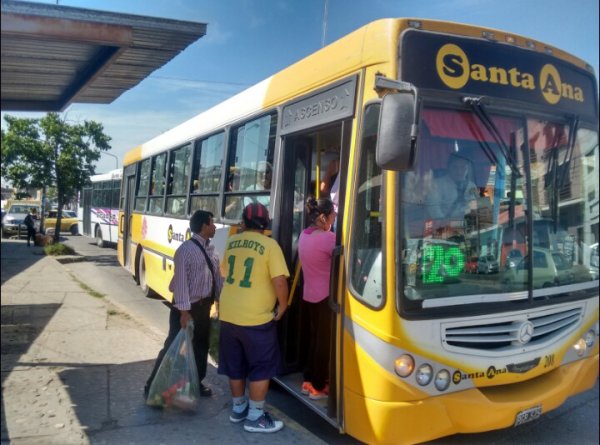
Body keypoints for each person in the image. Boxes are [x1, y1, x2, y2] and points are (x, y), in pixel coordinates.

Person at [218, 202, 290, 433]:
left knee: (235, 364)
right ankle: (256, 417)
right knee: (262, 367)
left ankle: (239, 409)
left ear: (244, 221)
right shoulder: (270, 245)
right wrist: (283, 304)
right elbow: (279, 280)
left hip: (228, 314)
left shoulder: (232, 242)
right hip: (256, 318)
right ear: (266, 222)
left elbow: (225, 273)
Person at [144, 210, 222, 400]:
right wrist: (184, 313)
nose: (215, 227)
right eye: (212, 223)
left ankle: (195, 383)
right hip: (186, 308)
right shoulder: (185, 250)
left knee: (200, 347)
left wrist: (219, 302)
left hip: (204, 307)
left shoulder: (212, 250)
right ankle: (153, 384)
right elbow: (180, 284)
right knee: (173, 345)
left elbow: (217, 279)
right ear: (204, 226)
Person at [297, 197, 336, 400]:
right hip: (326, 297)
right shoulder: (328, 239)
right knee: (324, 343)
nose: (335, 217)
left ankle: (309, 380)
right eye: (332, 215)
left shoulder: (304, 235)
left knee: (314, 340)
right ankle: (319, 387)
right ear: (322, 217)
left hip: (310, 294)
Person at [426, 154, 478, 221]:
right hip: (443, 226)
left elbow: (475, 207)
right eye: (455, 167)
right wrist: (445, 224)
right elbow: (434, 209)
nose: (459, 172)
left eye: (463, 168)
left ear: (467, 169)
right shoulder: (437, 184)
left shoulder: (472, 186)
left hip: (466, 225)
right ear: (448, 167)